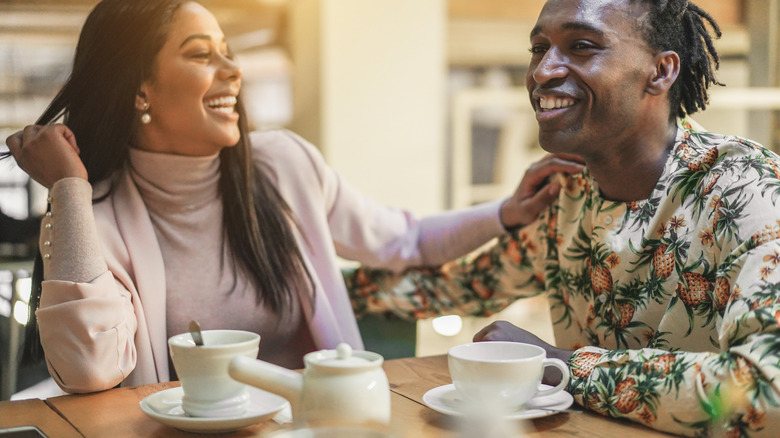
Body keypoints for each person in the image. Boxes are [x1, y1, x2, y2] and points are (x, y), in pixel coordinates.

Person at [2, 0, 583, 394]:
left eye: (227, 51)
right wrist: (69, 190)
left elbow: (401, 239)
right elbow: (89, 370)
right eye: (202, 54)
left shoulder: (283, 164)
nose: (233, 70)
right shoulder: (94, 212)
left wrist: (505, 212)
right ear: (139, 89)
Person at [346, 0, 780, 435]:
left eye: (582, 46)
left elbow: (767, 392)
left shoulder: (746, 189)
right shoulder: (569, 192)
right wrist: (306, 289)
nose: (542, 71)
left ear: (662, 71)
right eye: (538, 48)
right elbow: (462, 286)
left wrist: (562, 365)